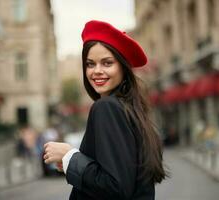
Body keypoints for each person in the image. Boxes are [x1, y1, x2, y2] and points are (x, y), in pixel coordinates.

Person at [44, 20, 167, 200]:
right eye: (90, 64)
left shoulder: (106, 107)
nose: (97, 71)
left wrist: (70, 156)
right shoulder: (129, 108)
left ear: (123, 68)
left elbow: (115, 187)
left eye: (107, 63)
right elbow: (122, 174)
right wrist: (73, 163)